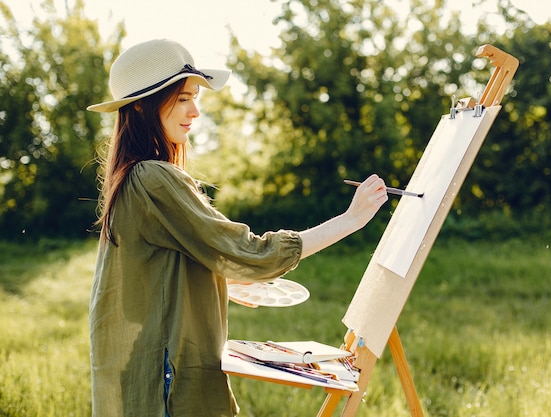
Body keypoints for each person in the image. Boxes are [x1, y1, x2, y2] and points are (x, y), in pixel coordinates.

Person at [86, 38, 388, 417]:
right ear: (145, 106)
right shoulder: (153, 178)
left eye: (195, 97)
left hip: (150, 368)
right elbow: (250, 251)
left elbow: (154, 273)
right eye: (182, 98)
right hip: (165, 375)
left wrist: (221, 282)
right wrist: (351, 220)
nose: (195, 111)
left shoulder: (134, 175)